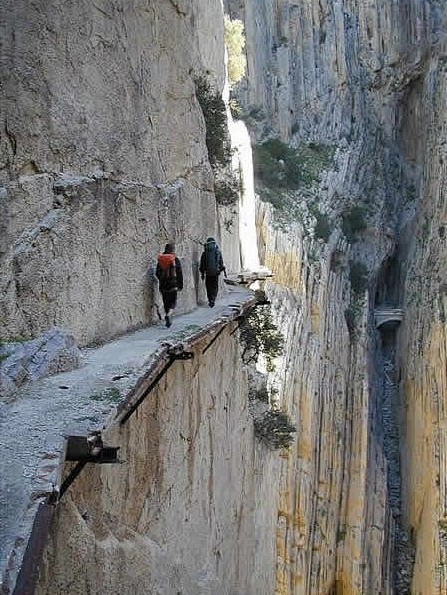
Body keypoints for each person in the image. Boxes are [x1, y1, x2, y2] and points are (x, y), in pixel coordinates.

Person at [156, 242, 183, 327]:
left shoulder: (160, 259)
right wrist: (180, 285)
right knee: (173, 303)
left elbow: (157, 273)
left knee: (166, 302)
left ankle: (168, 320)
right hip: (173, 285)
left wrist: (161, 280)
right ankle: (169, 315)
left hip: (163, 286)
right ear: (173, 250)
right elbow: (179, 273)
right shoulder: (175, 259)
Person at [199, 237, 225, 307]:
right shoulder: (218, 252)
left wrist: (202, 273)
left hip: (208, 273)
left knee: (208, 286)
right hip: (216, 272)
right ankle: (213, 299)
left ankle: (210, 299)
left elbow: (202, 264)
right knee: (215, 286)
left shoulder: (205, 253)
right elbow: (221, 263)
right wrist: (221, 269)